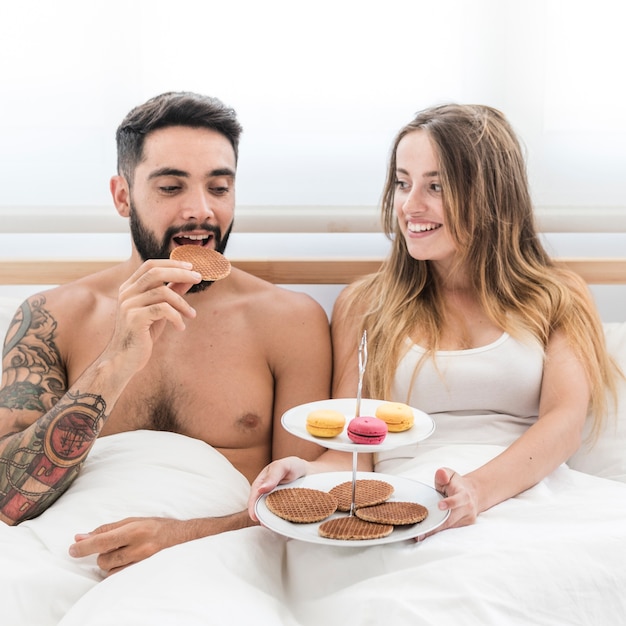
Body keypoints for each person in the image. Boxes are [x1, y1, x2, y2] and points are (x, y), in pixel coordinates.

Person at [0, 91, 334, 573]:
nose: (200, 210)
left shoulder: (289, 320)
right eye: (171, 188)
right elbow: (8, 501)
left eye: (219, 188)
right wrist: (116, 362)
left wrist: (180, 537)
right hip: (60, 558)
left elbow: (304, 501)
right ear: (122, 196)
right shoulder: (50, 317)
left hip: (217, 559)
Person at [249, 103, 618, 536]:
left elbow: (564, 424)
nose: (410, 205)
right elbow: (353, 452)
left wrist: (476, 492)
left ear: (491, 194)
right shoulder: (364, 304)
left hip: (526, 496)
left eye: (437, 186)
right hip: (402, 503)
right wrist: (304, 472)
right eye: (403, 184)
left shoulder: (557, 295)